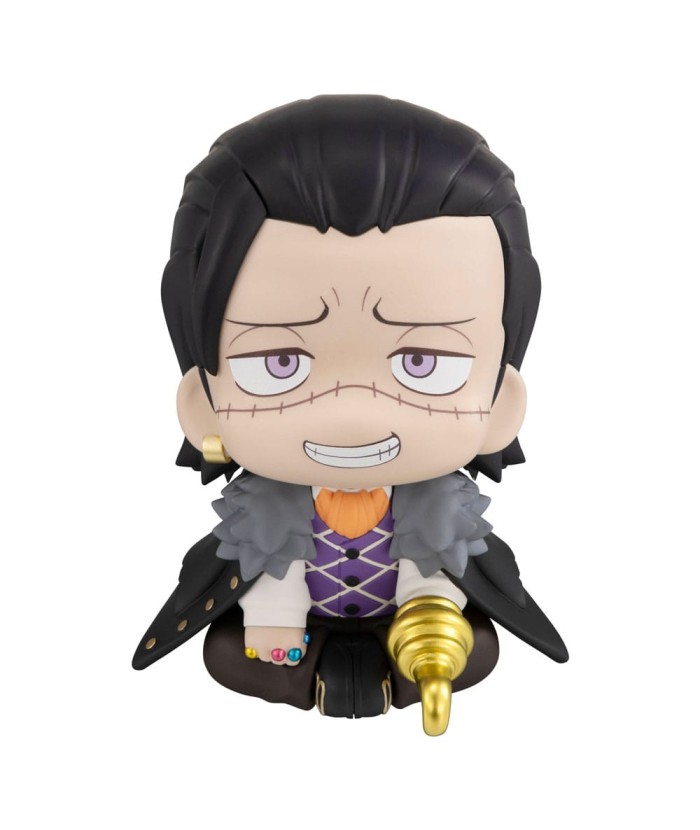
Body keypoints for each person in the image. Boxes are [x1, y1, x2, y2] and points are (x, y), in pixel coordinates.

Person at [133, 96, 568, 735]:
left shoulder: (447, 519)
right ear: (202, 403)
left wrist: (433, 625)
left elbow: (456, 578)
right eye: (279, 363)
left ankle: (403, 669)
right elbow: (250, 576)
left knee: (477, 647)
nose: (352, 411)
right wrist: (273, 625)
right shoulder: (257, 518)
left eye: (423, 363)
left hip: (411, 623)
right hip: (288, 635)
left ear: (502, 404)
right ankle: (305, 676)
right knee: (225, 652)